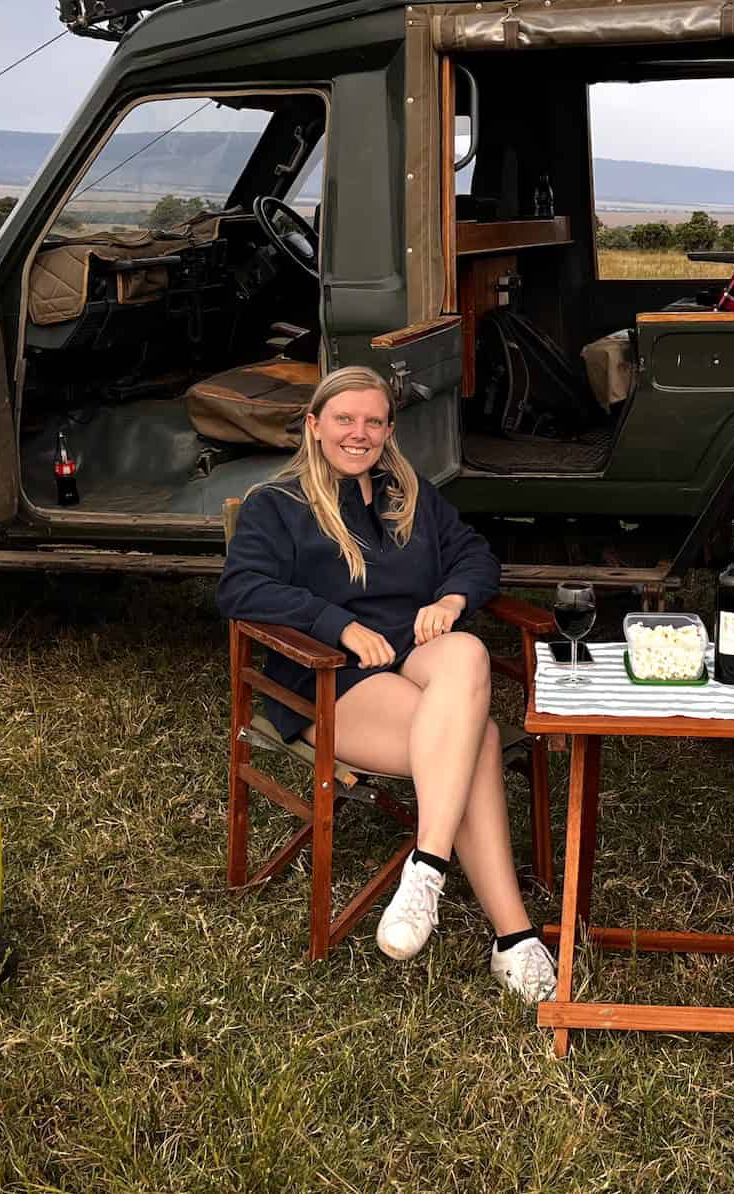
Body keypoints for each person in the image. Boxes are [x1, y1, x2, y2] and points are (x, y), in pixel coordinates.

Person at [218, 365, 557, 1003]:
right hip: (332, 677)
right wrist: (336, 624)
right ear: (315, 426)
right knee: (477, 742)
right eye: (344, 419)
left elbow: (476, 554)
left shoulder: (409, 496)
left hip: (416, 654)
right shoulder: (279, 505)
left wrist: (453, 598)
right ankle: (513, 937)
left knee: (466, 650)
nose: (359, 433)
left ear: (389, 430)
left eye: (374, 421)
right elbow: (241, 588)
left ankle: (424, 869)